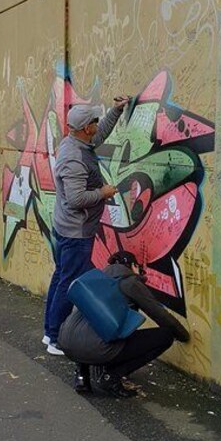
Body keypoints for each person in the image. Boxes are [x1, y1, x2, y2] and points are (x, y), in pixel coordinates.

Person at [43, 96, 130, 355]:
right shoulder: (74, 158)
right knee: (68, 282)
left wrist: (116, 110)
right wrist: (103, 192)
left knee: (61, 277)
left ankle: (50, 332)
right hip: (76, 232)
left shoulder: (78, 142)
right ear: (85, 128)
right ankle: (55, 337)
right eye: (94, 121)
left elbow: (100, 134)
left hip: (68, 228)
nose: (97, 124)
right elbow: (76, 199)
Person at [58, 251, 190, 398]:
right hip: (96, 349)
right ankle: (111, 376)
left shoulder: (92, 279)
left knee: (90, 328)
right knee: (165, 336)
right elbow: (159, 315)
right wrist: (183, 335)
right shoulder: (130, 283)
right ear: (132, 265)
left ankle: (82, 376)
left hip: (66, 343)